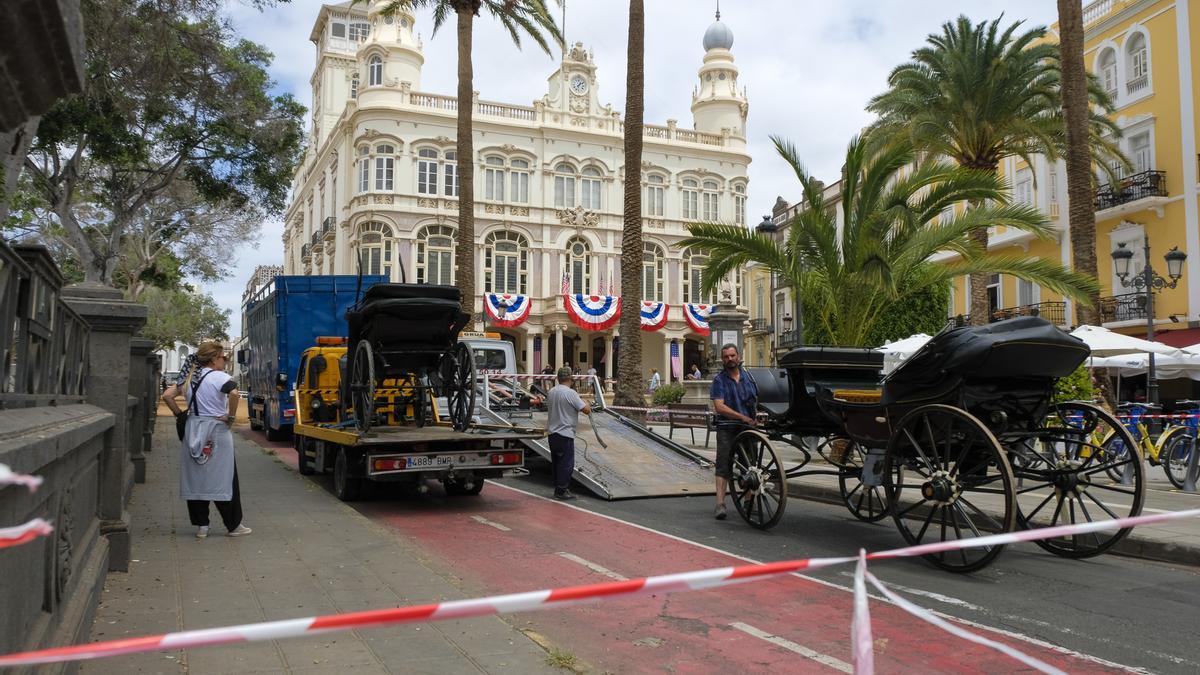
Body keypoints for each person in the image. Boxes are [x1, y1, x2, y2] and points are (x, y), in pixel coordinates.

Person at [161, 342, 250, 539]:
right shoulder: (220, 377)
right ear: (213, 359)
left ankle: (202, 526)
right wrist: (231, 416)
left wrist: (179, 415)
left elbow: (167, 396)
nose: (225, 361)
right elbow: (234, 393)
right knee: (225, 477)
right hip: (216, 429)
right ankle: (233, 525)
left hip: (193, 428)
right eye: (223, 357)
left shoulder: (190, 378)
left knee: (196, 477)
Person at [709, 343, 758, 520]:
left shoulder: (749, 378)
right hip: (727, 428)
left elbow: (756, 400)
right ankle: (720, 504)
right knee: (723, 465)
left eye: (732, 356)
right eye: (726, 357)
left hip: (747, 428)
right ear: (722, 360)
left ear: (738, 356)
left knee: (751, 465)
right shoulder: (719, 380)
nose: (730, 359)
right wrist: (740, 417)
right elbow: (719, 407)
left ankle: (748, 501)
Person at [545, 366, 592, 500]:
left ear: (558, 378)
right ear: (571, 379)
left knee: (556, 462)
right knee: (566, 464)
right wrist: (586, 402)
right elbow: (586, 410)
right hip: (565, 433)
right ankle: (562, 491)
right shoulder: (571, 393)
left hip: (552, 433)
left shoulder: (552, 391)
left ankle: (558, 488)